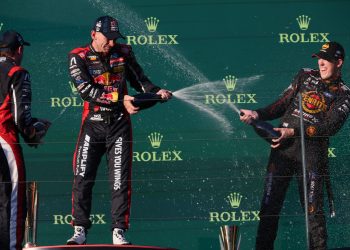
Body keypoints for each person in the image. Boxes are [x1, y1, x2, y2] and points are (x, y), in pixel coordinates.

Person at [66, 16, 172, 245]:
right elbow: (86, 91)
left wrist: (157, 92)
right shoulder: (78, 56)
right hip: (92, 123)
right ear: (94, 34)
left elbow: (140, 81)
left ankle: (118, 231)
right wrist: (120, 98)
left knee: (120, 180)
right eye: (108, 38)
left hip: (119, 124)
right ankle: (80, 229)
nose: (112, 43)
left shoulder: (123, 52)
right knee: (82, 176)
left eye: (115, 38)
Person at [240, 42, 350, 250]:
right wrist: (258, 114)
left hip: (311, 156)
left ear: (339, 63)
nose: (321, 63)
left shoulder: (344, 94)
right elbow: (282, 103)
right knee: (269, 208)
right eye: (319, 58)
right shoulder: (304, 75)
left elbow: (330, 127)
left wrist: (293, 132)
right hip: (282, 150)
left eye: (325, 59)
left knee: (313, 213)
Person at [0, 30, 50, 250]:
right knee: (11, 201)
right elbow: (22, 119)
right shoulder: (17, 72)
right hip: (4, 142)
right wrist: (34, 132)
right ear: (19, 50)